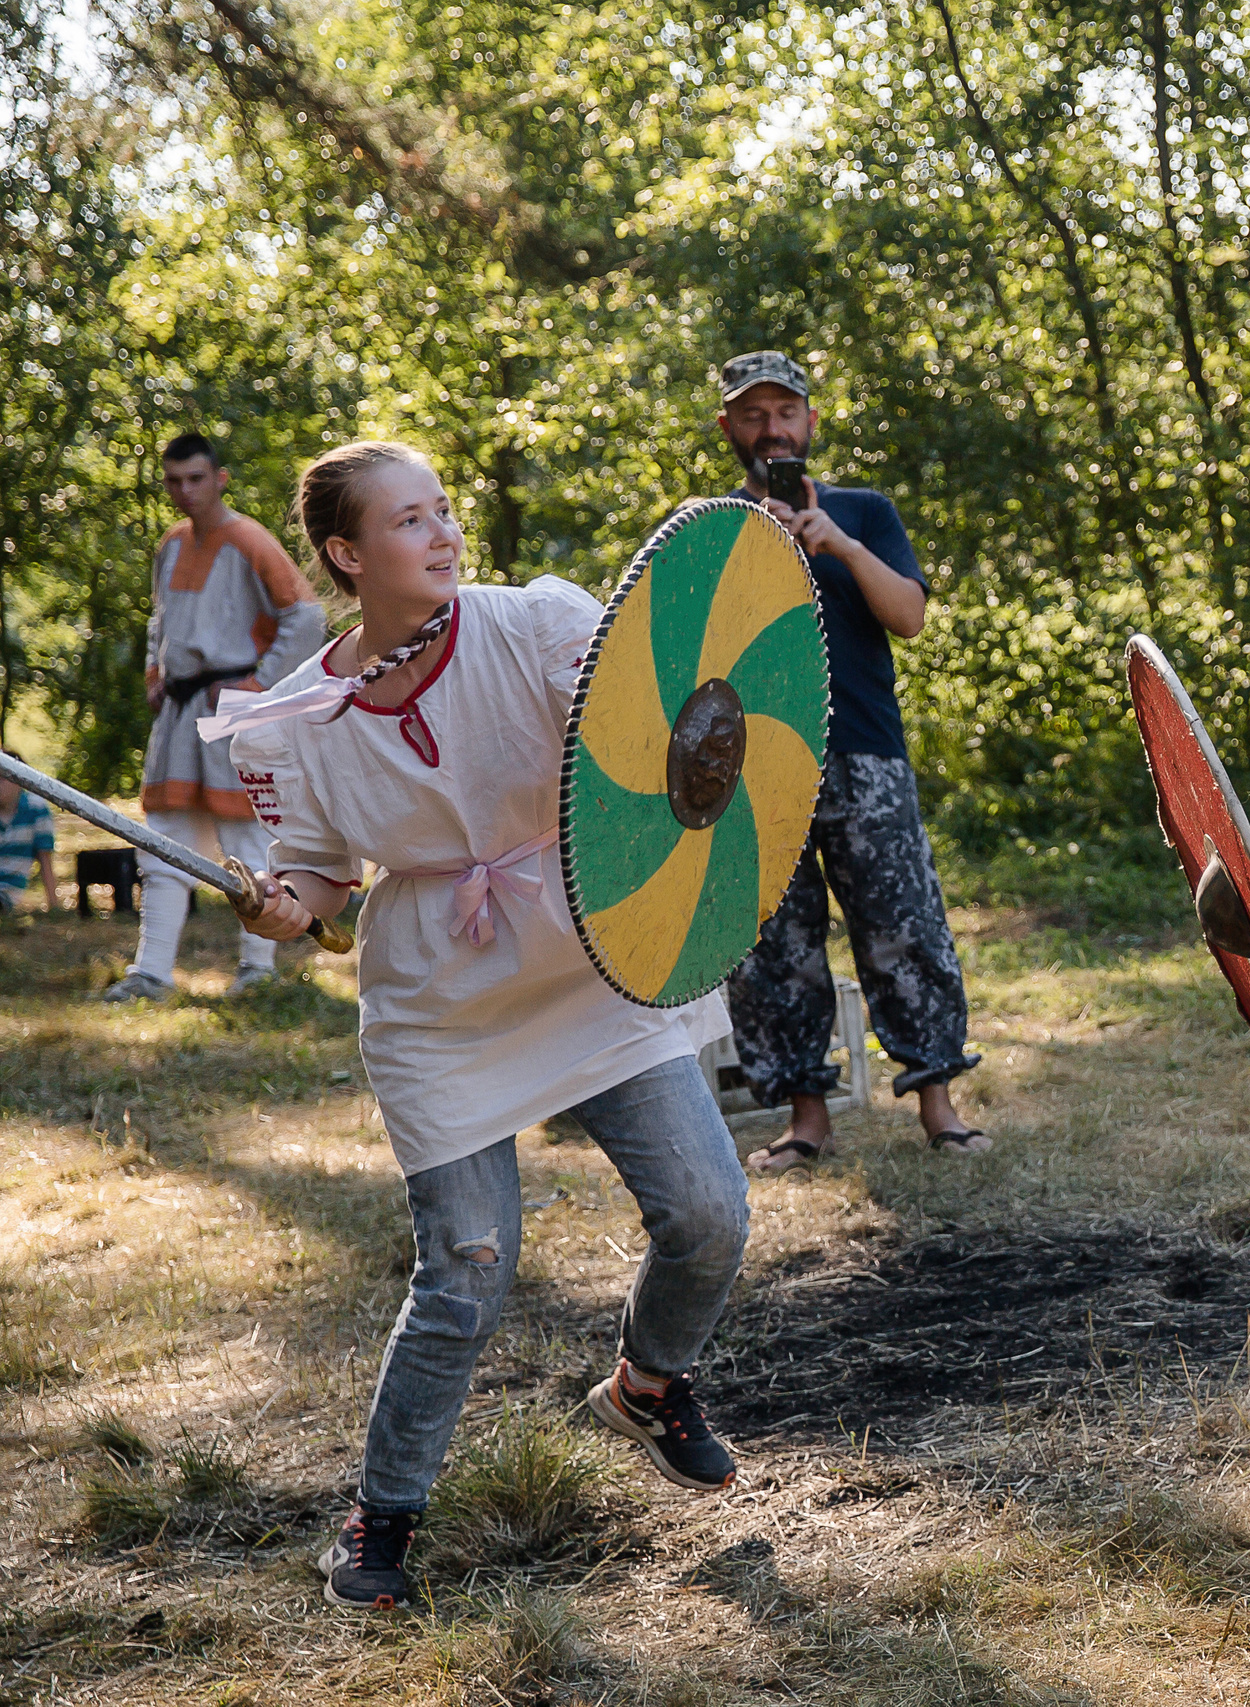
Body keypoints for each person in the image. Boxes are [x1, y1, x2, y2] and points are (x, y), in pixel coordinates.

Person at [208, 441, 750, 1611]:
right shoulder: (296, 720)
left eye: (445, 510)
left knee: (708, 1214)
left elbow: (657, 748)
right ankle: (380, 1518)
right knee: (464, 1271)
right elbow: (323, 894)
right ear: (349, 555)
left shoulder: (537, 625)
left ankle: (650, 1387)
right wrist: (278, 905)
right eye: (412, 520)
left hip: (585, 953)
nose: (445, 533)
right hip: (440, 1001)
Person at [707, 350, 985, 1169]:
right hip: (752, 766)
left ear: (811, 421)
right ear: (727, 428)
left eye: (784, 413)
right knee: (774, 945)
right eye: (752, 416)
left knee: (904, 927)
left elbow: (910, 617)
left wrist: (841, 547)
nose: (771, 430)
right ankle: (805, 1119)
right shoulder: (710, 522)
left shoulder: (866, 511)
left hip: (865, 754)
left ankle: (939, 1106)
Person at [103, 432, 328, 1001]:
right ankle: (151, 971)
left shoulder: (250, 540)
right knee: (163, 842)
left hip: (232, 711)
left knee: (246, 841)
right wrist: (156, 672)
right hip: (180, 714)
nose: (185, 491)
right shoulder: (171, 544)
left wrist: (258, 683)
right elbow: (161, 621)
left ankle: (258, 968)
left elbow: (305, 615)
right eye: (174, 480)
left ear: (220, 479)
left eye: (196, 478)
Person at [0, 753, 61, 915]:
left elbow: (45, 858)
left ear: (19, 781)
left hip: (6, 893)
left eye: (2, 779)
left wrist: (54, 906)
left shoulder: (35, 809)